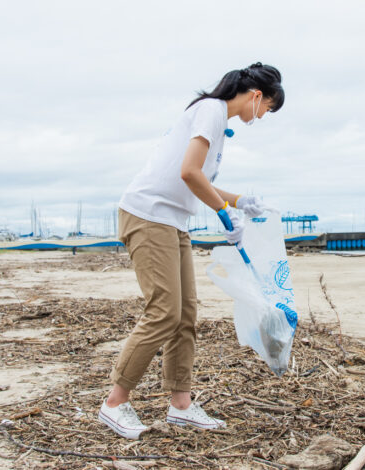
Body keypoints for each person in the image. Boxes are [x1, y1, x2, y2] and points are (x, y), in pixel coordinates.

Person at [98, 62, 285, 439]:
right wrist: (224, 213)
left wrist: (239, 201)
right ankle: (114, 403)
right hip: (148, 215)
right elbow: (189, 172)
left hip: (173, 221)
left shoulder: (218, 122)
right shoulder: (211, 111)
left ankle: (181, 404)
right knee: (164, 311)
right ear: (256, 95)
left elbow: (196, 180)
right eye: (267, 108)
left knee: (185, 314)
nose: (262, 116)